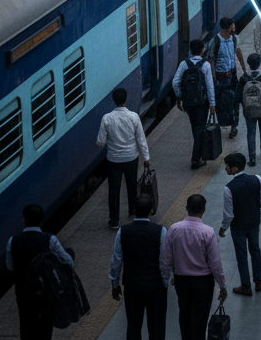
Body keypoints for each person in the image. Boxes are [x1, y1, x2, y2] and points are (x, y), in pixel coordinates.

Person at [160, 194, 227, 340]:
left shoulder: (174, 229)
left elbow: (166, 258)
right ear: (204, 209)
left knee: (184, 314)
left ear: (186, 208)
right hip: (203, 282)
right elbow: (215, 263)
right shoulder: (208, 232)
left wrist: (167, 277)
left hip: (181, 280)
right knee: (200, 318)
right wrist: (222, 285)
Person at [8, 203, 76, 340]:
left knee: (26, 326)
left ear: (24, 220)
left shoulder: (13, 241)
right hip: (46, 292)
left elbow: (10, 266)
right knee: (45, 328)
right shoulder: (50, 239)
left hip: (24, 293)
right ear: (42, 221)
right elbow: (68, 262)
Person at [110, 194, 169, 340]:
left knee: (133, 325)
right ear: (151, 210)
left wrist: (115, 284)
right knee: (157, 326)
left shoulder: (123, 231)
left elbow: (116, 260)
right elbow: (164, 261)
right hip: (155, 286)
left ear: (134, 210)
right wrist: (165, 281)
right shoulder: (161, 231)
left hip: (132, 286)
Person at [97, 87, 150, 229]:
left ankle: (114, 220)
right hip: (131, 157)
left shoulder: (107, 118)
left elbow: (100, 142)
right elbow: (141, 139)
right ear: (126, 100)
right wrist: (146, 158)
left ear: (114, 100)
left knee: (114, 190)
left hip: (113, 159)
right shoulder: (134, 117)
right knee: (132, 185)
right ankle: (132, 210)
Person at [219, 152, 261, 296]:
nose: (225, 169)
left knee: (241, 254)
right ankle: (259, 281)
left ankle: (246, 286)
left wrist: (223, 228)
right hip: (254, 222)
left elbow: (228, 214)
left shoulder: (229, 188)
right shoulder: (257, 179)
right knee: (255, 250)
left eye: (227, 166)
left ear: (234, 169)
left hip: (238, 226)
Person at [172, 40, 216, 168]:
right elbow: (210, 86)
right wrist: (212, 104)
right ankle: (196, 159)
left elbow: (175, 82)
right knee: (200, 129)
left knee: (195, 128)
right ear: (202, 49)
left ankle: (198, 154)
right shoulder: (205, 65)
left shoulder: (184, 64)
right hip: (202, 103)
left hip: (188, 103)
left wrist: (180, 96)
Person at [206, 17, 244, 141]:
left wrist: (243, 69)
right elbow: (211, 59)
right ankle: (222, 122)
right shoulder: (215, 41)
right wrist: (213, 77)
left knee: (235, 101)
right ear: (227, 28)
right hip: (220, 78)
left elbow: (238, 52)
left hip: (232, 76)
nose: (234, 28)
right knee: (221, 102)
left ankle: (234, 125)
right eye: (232, 26)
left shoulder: (234, 39)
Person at [238, 54, 261, 166]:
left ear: (249, 64)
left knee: (251, 132)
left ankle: (252, 157)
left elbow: (238, 95)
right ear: (260, 64)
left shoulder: (244, 78)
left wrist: (242, 104)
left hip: (249, 110)